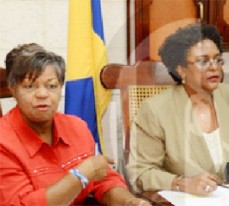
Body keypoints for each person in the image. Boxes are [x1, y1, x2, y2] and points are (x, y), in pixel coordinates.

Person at [127, 23, 229, 195]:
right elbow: (140, 173)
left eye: (217, 59)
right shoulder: (155, 110)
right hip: (184, 199)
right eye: (203, 61)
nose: (214, 67)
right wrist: (183, 183)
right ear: (181, 70)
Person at [0, 44, 150, 206]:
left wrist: (129, 202)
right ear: (13, 90)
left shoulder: (76, 127)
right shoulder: (4, 142)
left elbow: (104, 181)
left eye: (51, 86)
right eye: (29, 86)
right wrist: (81, 175)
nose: (42, 94)